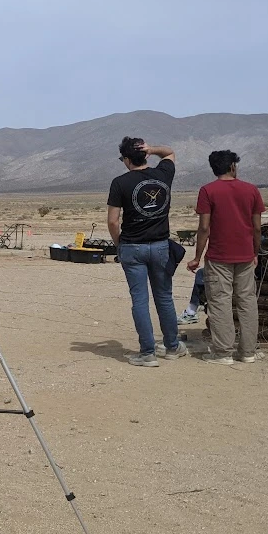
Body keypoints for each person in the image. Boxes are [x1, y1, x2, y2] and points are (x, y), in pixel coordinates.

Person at [107, 137, 185, 366]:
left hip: (132, 246)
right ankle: (172, 346)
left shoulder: (120, 183)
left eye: (123, 158)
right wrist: (152, 149)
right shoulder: (163, 174)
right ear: (146, 155)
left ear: (128, 159)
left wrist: (119, 244)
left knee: (140, 300)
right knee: (164, 297)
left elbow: (113, 221)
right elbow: (170, 152)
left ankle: (147, 352)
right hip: (160, 246)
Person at [187, 150, 266, 365]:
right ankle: (247, 351)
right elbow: (257, 228)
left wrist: (196, 257)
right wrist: (255, 253)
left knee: (220, 301)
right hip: (245, 257)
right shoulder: (251, 190)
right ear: (232, 166)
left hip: (219, 256)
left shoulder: (207, 191)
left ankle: (223, 353)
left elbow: (204, 227)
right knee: (247, 301)